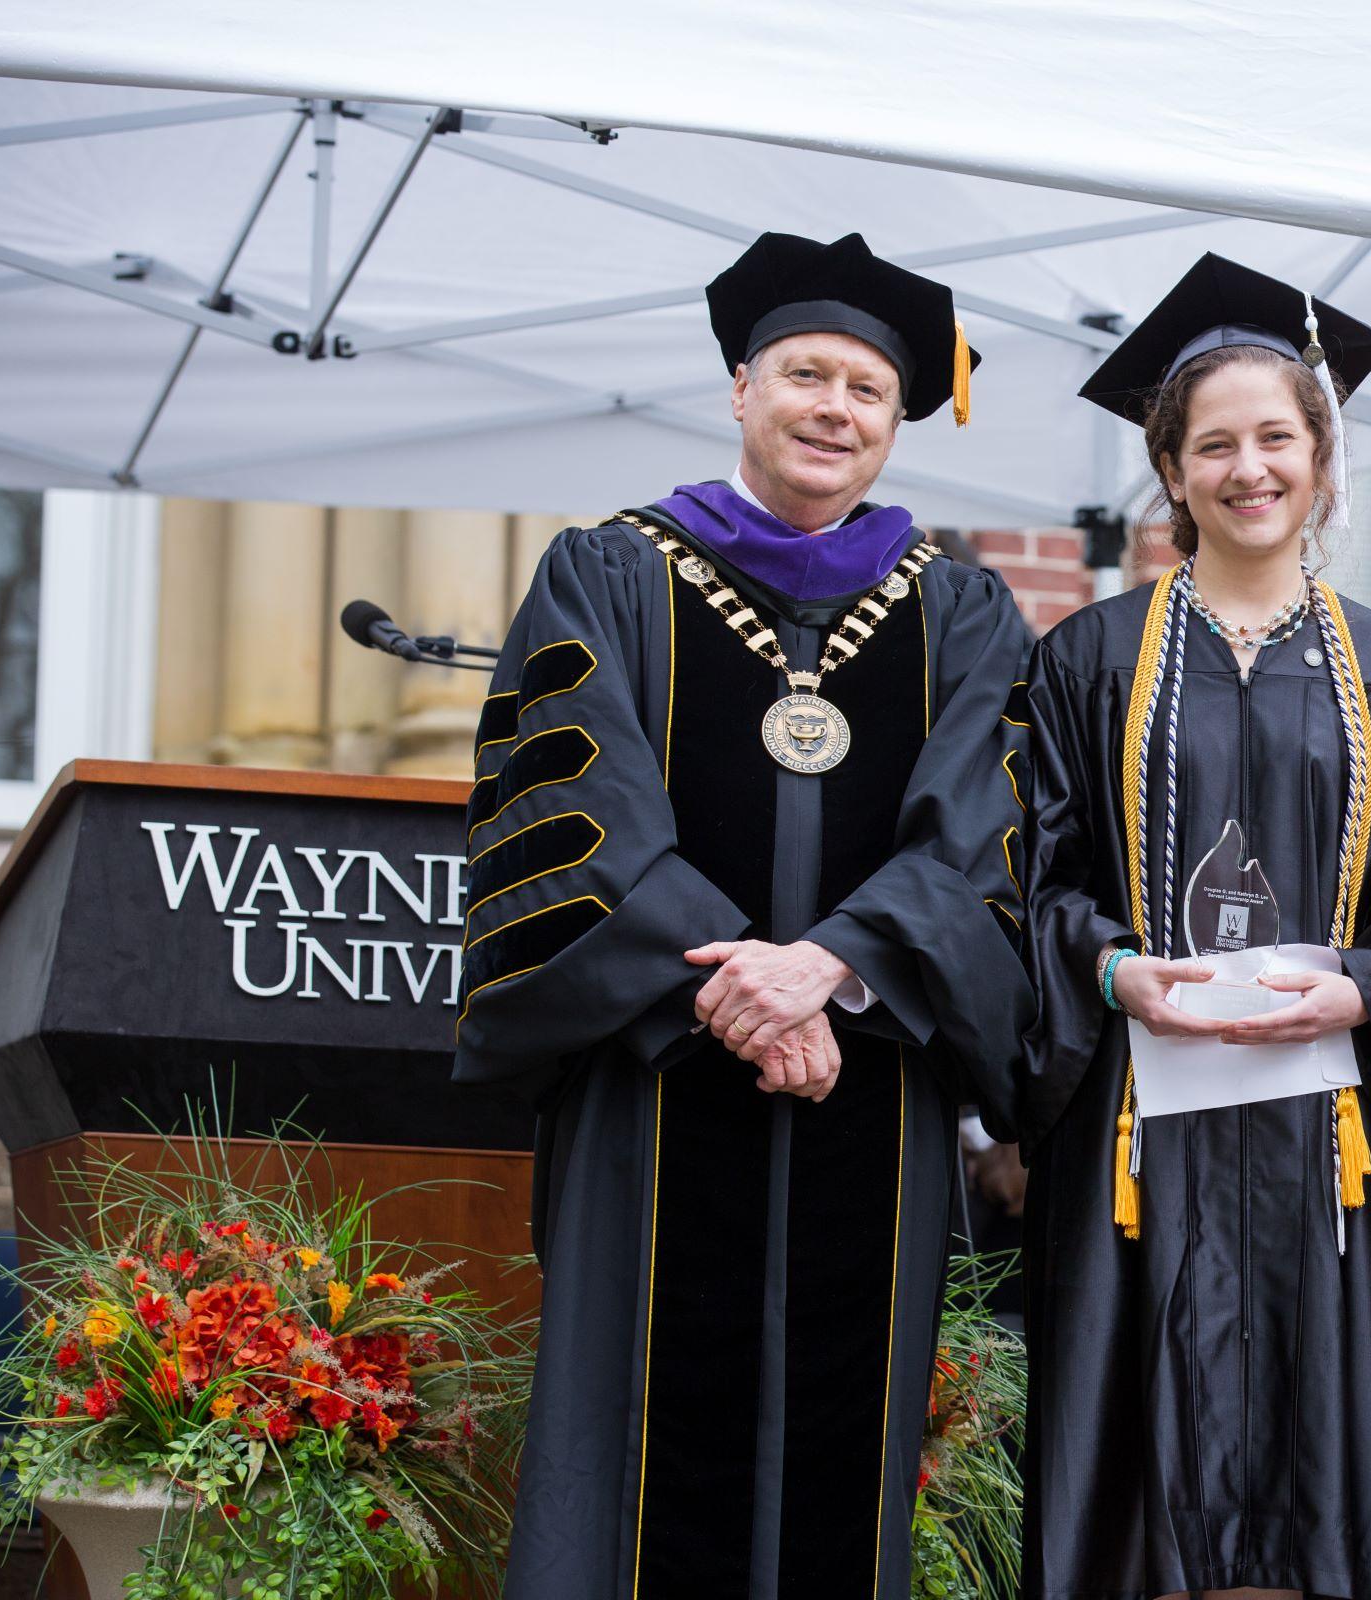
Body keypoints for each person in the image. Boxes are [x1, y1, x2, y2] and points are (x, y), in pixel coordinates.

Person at [451, 231, 1033, 1600]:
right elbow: (570, 806)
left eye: (868, 392)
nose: (834, 409)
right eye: (804, 375)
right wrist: (741, 996)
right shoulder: (609, 573)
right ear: (739, 389)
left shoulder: (962, 612)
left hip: (868, 1092)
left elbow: (983, 835)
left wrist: (830, 967)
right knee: (634, 1457)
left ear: (898, 421)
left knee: (848, 1462)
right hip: (655, 1085)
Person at [1020, 253, 1371, 1600]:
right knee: (1135, 1491)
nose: (1248, 467)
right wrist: (1111, 970)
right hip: (1133, 1134)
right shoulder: (1087, 662)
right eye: (1215, 443)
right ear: (1172, 469)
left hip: (1317, 1136)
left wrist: (1365, 992)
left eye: (1278, 437)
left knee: (1311, 1466)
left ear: (1322, 459)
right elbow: (1027, 876)